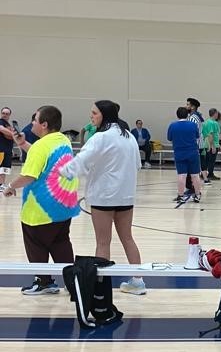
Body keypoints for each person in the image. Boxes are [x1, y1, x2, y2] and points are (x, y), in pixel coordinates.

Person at [60, 101, 145, 296]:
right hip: (126, 197)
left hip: (103, 198)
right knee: (128, 238)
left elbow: (81, 162)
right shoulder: (129, 137)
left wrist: (62, 172)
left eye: (94, 113)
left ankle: (100, 285)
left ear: (104, 115)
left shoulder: (100, 138)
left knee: (103, 242)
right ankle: (138, 282)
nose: (91, 116)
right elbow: (138, 165)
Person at [3, 105, 80, 295]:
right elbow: (45, 158)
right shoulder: (63, 140)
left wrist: (10, 187)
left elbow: (29, 175)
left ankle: (44, 281)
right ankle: (74, 283)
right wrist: (22, 144)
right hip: (63, 205)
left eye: (35, 120)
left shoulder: (40, 146)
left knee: (36, 244)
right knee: (61, 243)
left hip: (41, 209)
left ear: (44, 124)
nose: (32, 123)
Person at [168, 106, 203, 204]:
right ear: (187, 114)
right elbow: (197, 136)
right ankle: (197, 195)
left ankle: (180, 196)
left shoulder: (172, 126)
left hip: (179, 153)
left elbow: (169, 138)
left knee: (181, 175)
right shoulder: (192, 125)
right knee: (195, 175)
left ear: (177, 115)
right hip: (193, 153)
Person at [201, 107, 221, 183]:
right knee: (211, 161)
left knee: (206, 160)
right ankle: (210, 174)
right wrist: (213, 146)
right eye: (217, 113)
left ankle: (204, 174)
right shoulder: (213, 123)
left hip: (206, 144)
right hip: (211, 144)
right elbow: (211, 134)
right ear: (215, 114)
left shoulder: (206, 122)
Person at [0, 106, 15, 190]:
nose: (5, 115)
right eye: (3, 113)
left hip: (7, 149)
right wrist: (14, 135)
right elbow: (1, 129)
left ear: (9, 115)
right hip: (1, 150)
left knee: (5, 168)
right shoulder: (1, 122)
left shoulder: (8, 124)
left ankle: (2, 184)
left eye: (7, 114)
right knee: (1, 168)